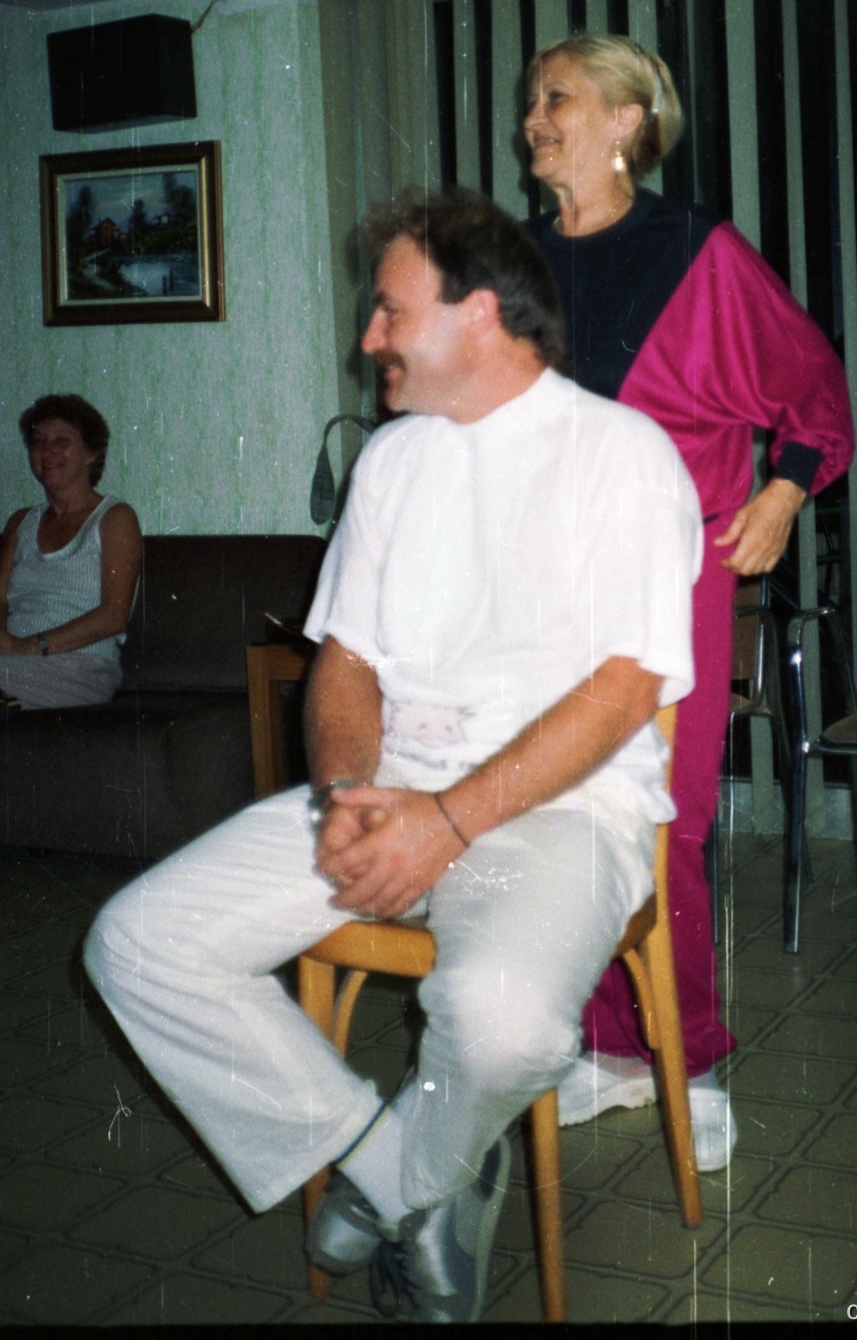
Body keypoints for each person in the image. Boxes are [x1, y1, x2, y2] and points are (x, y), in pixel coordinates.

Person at [84, 187, 702, 1325]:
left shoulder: (623, 455)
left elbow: (624, 691)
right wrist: (346, 793)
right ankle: (409, 1172)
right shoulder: (394, 462)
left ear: (481, 314)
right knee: (137, 944)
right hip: (388, 793)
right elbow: (347, 662)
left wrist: (450, 820)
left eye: (389, 311)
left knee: (504, 1022)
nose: (367, 336)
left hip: (561, 811)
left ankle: (407, 1175)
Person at [524, 33, 856, 1170]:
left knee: (663, 821)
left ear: (627, 120)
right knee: (561, 814)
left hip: (672, 575)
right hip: (546, 587)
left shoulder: (694, 251)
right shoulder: (514, 264)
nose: (534, 119)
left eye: (557, 98)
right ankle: (608, 1048)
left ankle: (690, 1058)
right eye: (530, 101)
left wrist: (783, 491)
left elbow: (811, 386)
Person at [0, 394, 141, 726]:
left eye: (61, 441)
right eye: (39, 442)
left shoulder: (115, 518)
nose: (47, 450)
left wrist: (29, 646)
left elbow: (114, 616)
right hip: (8, 660)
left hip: (78, 668)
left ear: (91, 454)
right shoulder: (21, 522)